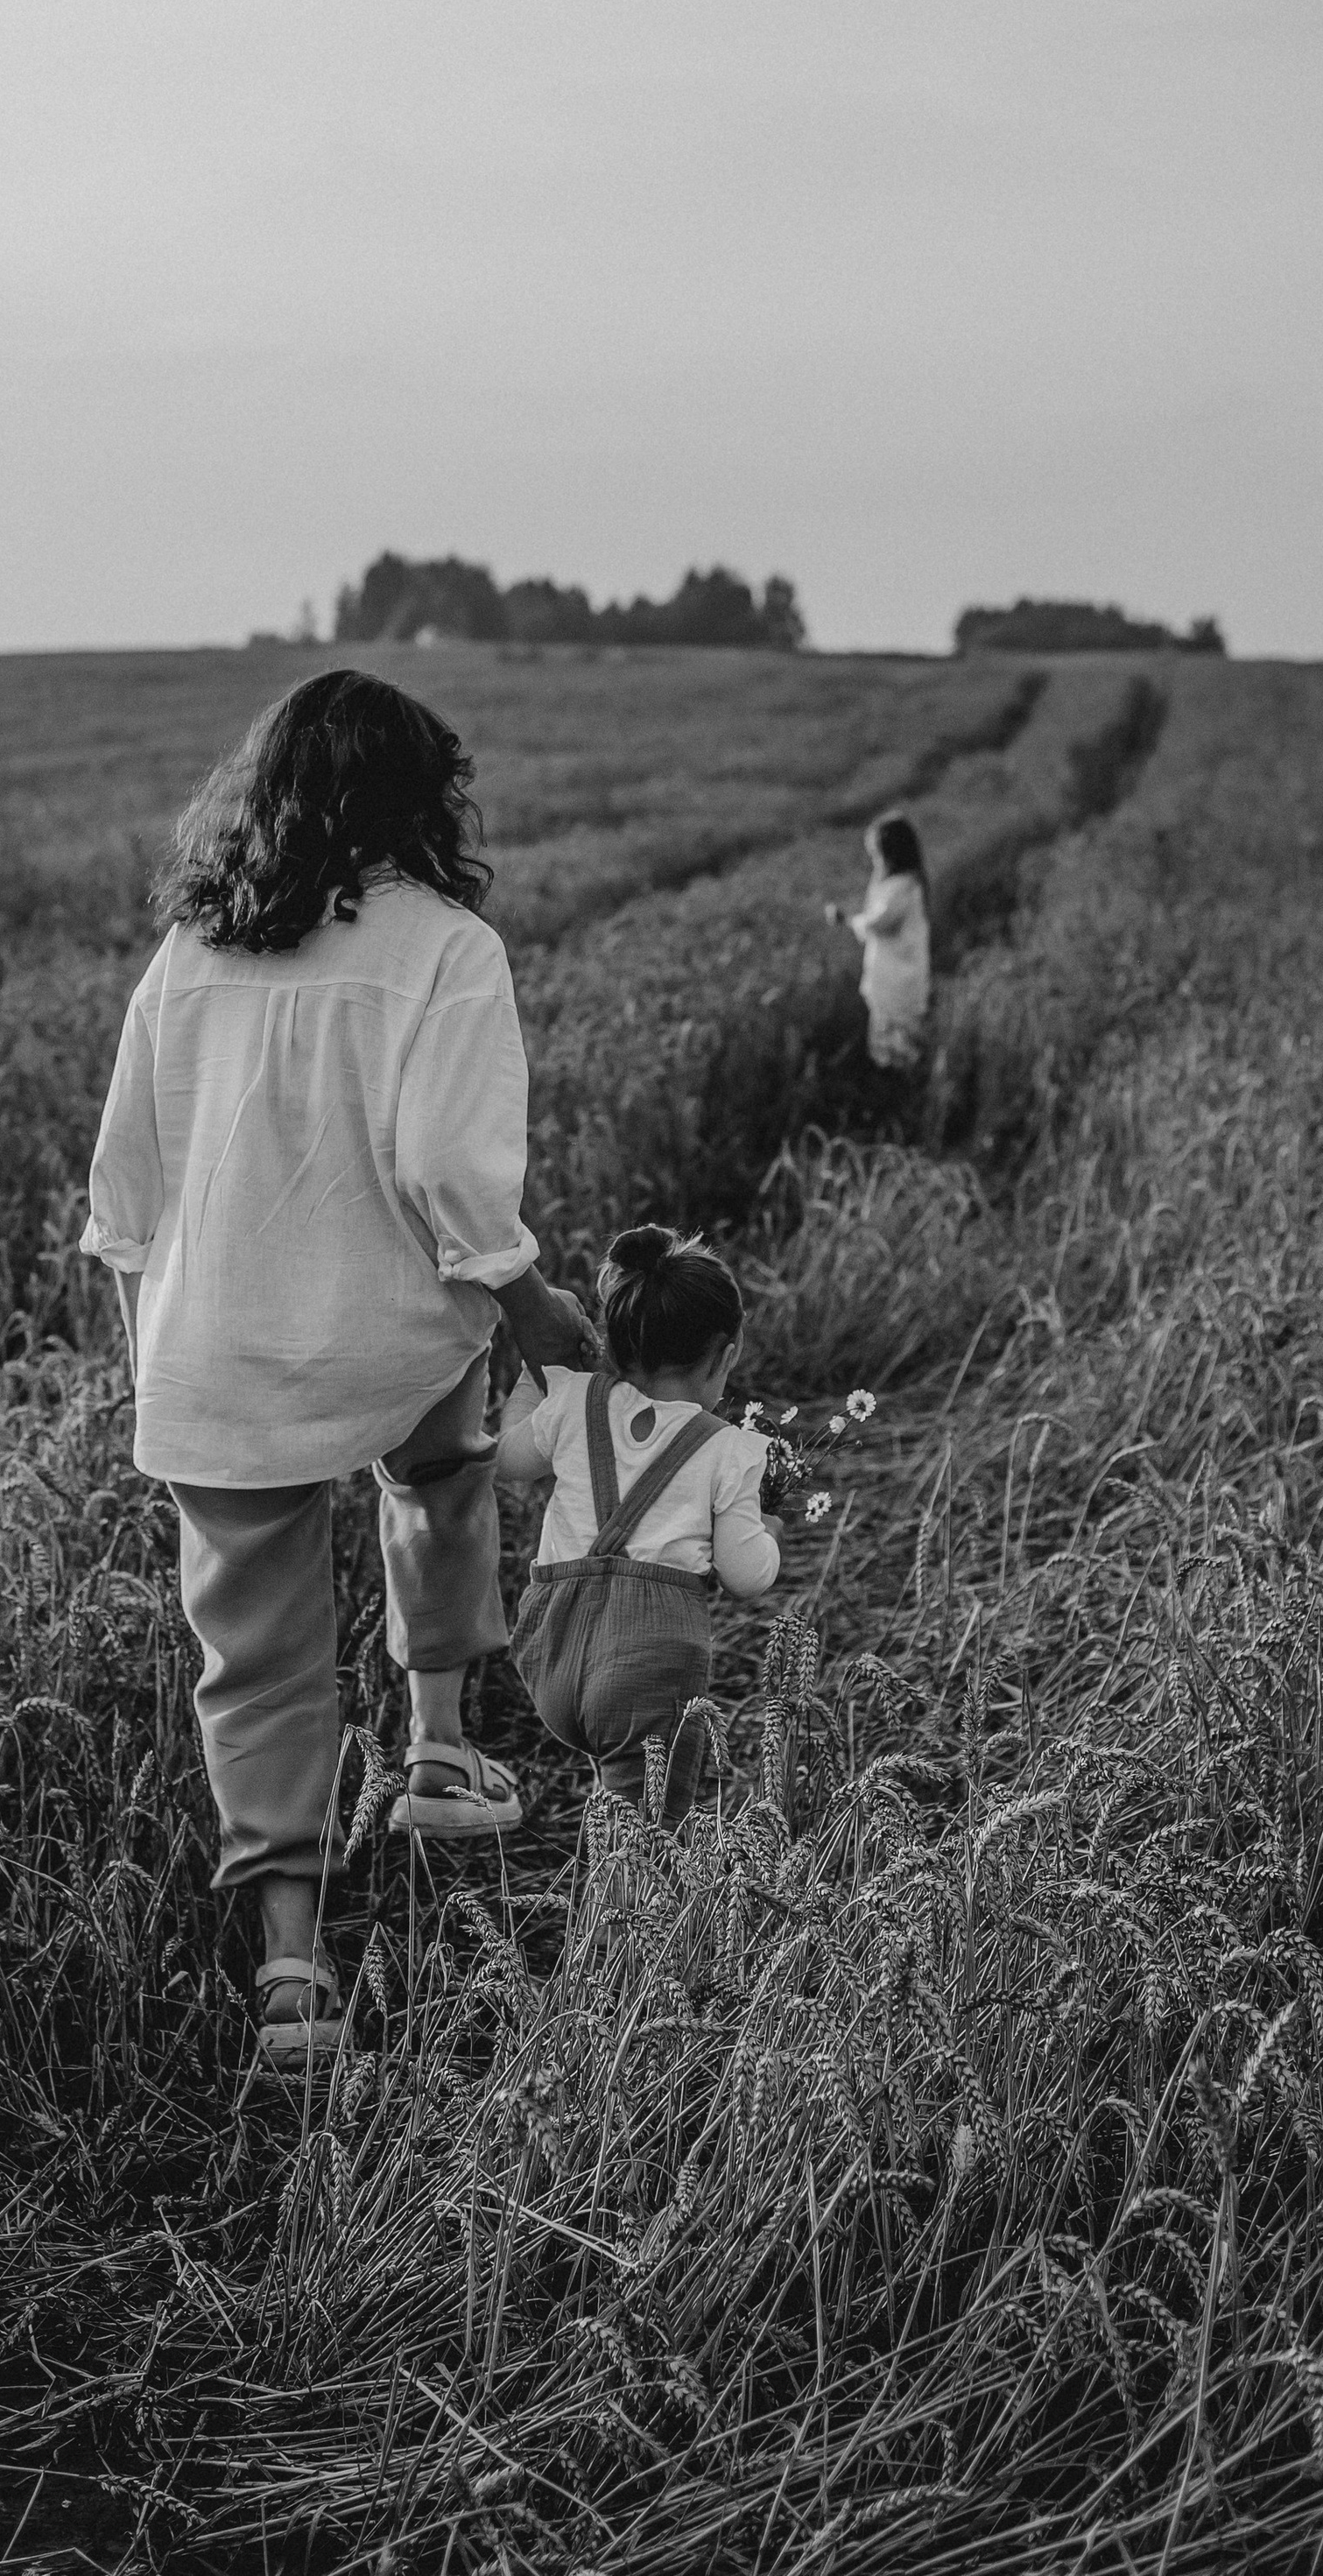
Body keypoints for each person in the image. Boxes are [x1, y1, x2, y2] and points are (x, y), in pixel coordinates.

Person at [81, 669, 596, 2070]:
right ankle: (435, 1751)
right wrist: (530, 1301)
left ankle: (294, 1971)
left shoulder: (190, 950)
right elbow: (449, 1172)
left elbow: (121, 1194)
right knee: (438, 1473)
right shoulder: (447, 948)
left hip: (215, 1350)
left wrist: (160, 1360)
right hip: (387, 1323)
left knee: (255, 1655)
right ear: (421, 798)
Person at [496, 1225, 779, 1825]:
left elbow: (507, 1460)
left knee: (617, 1814)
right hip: (650, 1672)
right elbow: (747, 1576)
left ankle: (608, 1889)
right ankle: (615, 1915)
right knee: (645, 1838)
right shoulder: (730, 1450)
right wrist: (770, 1530)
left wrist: (535, 1379)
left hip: (552, 1655)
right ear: (725, 1356)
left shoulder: (574, 1401)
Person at [824, 811, 932, 1117]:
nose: (874, 861)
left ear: (889, 853)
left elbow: (880, 922)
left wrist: (846, 919)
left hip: (900, 975)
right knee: (889, 1031)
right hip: (889, 971)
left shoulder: (903, 887)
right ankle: (898, 1096)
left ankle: (905, 1100)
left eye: (876, 854)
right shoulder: (899, 882)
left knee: (900, 1035)